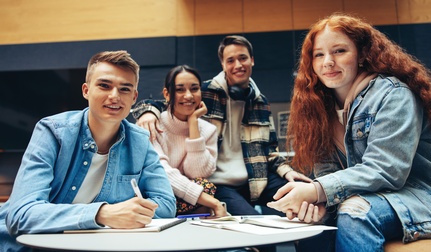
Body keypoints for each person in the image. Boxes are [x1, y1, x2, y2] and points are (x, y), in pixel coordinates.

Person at [267, 13, 431, 251]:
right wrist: (321, 205)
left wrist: (316, 190)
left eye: (339, 51)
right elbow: (328, 173)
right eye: (319, 54)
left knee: (356, 212)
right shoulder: (318, 111)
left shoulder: (394, 94)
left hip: (426, 200)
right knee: (313, 226)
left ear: (362, 54)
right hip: (370, 198)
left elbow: (386, 170)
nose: (328, 62)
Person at [0, 50, 176, 251]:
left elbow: (166, 205)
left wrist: (129, 212)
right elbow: (21, 215)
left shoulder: (140, 142)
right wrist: (103, 213)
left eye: (125, 89)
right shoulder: (53, 132)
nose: (114, 96)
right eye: (104, 85)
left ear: (134, 97)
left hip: (95, 246)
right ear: (86, 90)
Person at [132, 35, 311, 216]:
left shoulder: (260, 102)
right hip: (219, 183)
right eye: (230, 60)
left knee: (303, 200)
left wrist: (287, 172)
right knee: (255, 225)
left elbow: (270, 151)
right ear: (223, 65)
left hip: (256, 180)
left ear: (252, 60)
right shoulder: (204, 92)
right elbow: (170, 104)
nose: (238, 65)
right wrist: (148, 111)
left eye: (242, 58)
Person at [152, 65, 227, 216]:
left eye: (194, 89)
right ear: (167, 94)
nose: (188, 96)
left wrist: (193, 124)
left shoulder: (208, 130)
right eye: (180, 89)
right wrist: (212, 202)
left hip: (189, 197)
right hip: (158, 195)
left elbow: (197, 173)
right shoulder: (153, 125)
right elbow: (162, 173)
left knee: (206, 186)